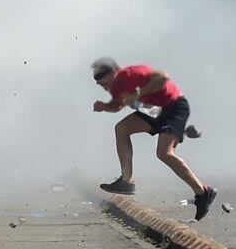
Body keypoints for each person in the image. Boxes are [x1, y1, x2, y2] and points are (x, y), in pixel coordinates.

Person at [91, 57, 217, 220]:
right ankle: (126, 181)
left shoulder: (132, 74)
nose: (97, 82)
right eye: (95, 78)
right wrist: (104, 107)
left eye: (99, 76)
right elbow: (118, 105)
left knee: (164, 153)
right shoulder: (115, 87)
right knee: (121, 129)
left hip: (173, 107)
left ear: (113, 71)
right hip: (154, 112)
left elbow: (163, 77)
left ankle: (203, 192)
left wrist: (139, 93)